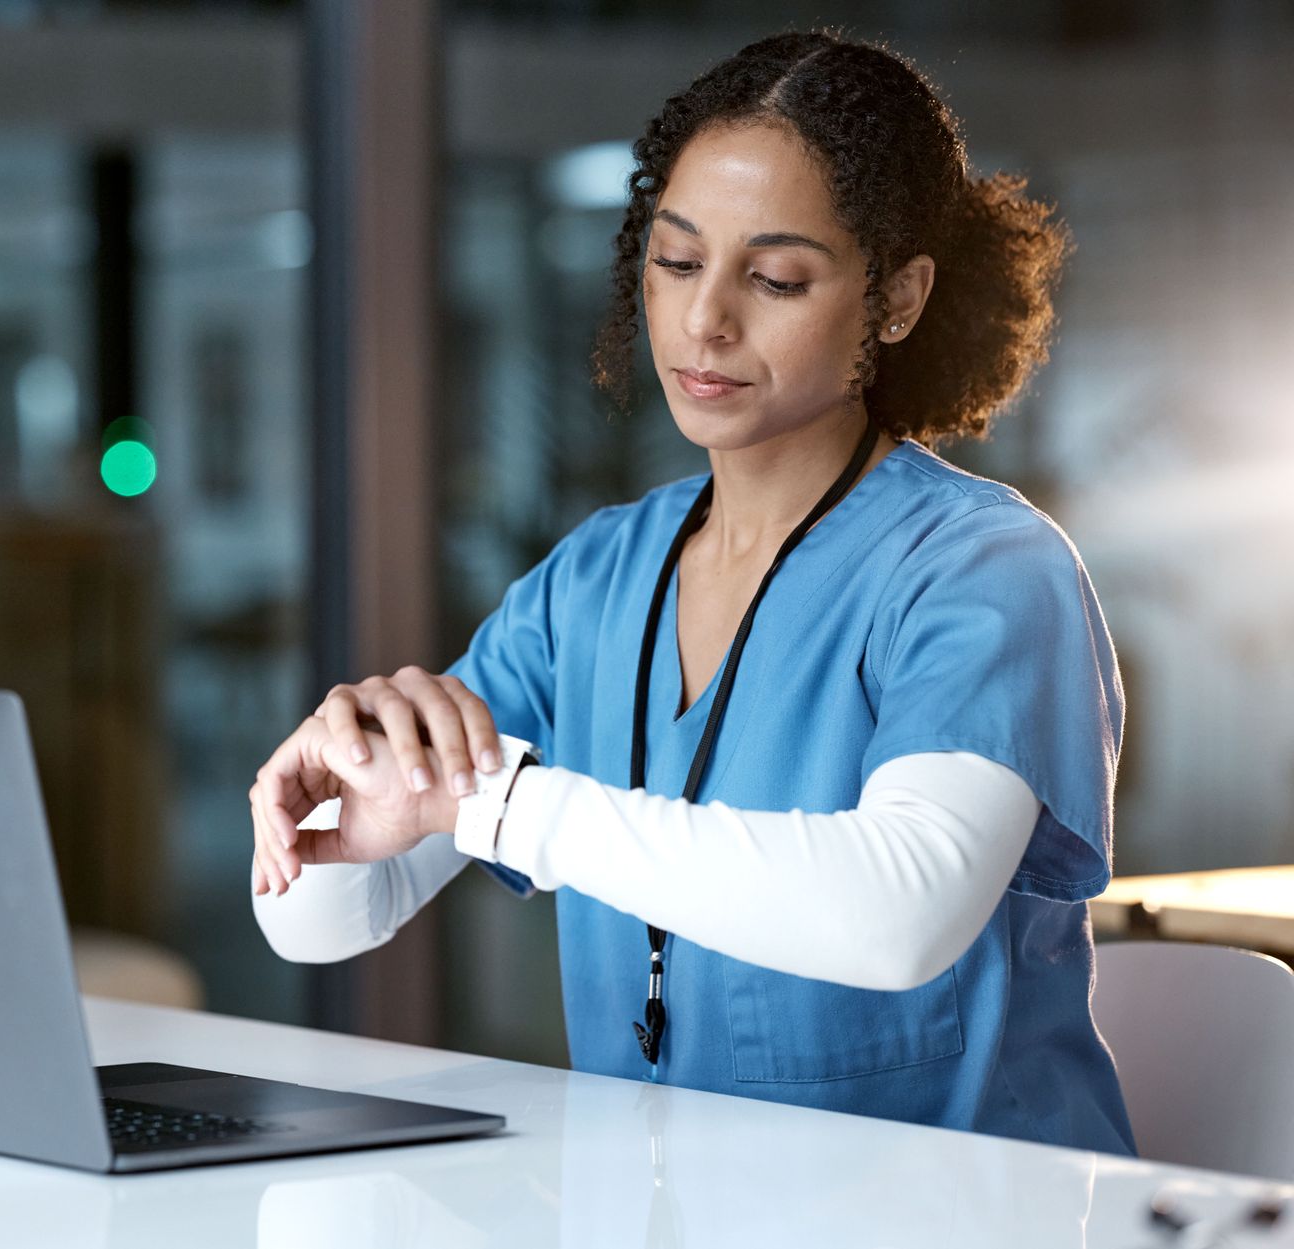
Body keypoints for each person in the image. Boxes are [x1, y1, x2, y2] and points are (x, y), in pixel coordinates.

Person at [245, 28, 1136, 1156]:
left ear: (898, 297)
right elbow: (328, 924)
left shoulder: (983, 568)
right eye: (675, 262)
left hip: (962, 1214)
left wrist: (495, 807)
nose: (706, 320)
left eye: (775, 278)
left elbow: (897, 914)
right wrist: (348, 809)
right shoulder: (595, 579)